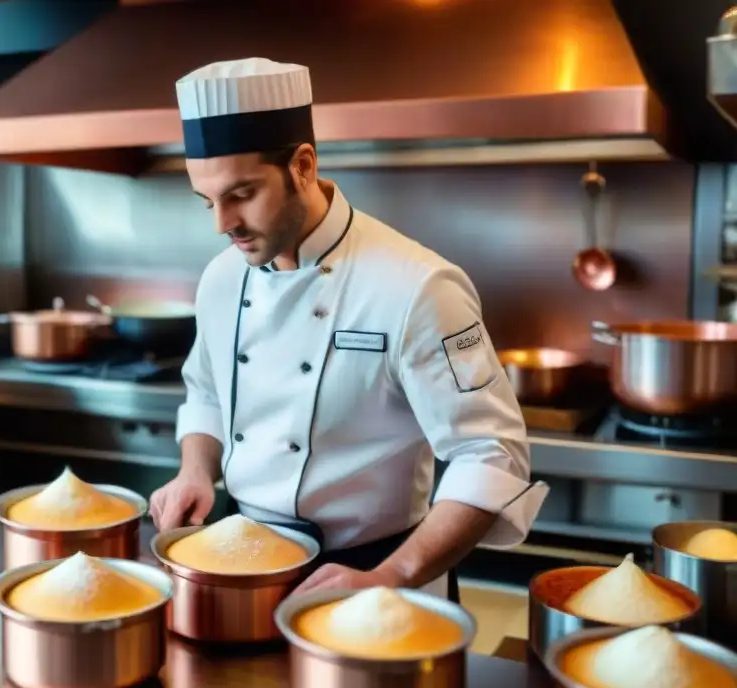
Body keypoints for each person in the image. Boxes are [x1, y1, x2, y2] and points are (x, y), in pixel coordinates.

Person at [149, 58, 548, 600]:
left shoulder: (418, 286)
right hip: (243, 567)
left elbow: (492, 454)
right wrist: (195, 470)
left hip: (380, 579)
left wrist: (393, 576)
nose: (223, 224)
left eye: (241, 194)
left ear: (304, 166)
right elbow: (207, 391)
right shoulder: (222, 278)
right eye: (207, 201)